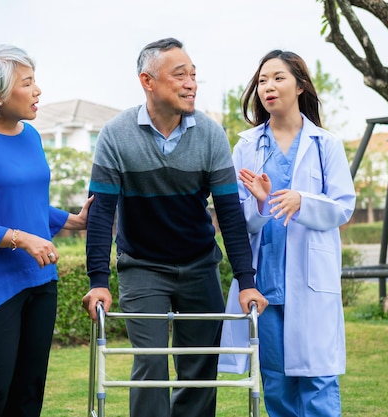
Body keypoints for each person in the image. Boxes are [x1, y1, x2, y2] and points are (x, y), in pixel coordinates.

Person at [81, 37, 268, 417]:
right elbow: (101, 214)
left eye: (194, 75)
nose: (191, 83)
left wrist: (246, 282)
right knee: (150, 364)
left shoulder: (211, 135)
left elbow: (229, 214)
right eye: (179, 74)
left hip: (199, 265)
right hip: (142, 267)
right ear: (147, 81)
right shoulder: (116, 135)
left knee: (199, 367)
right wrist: (98, 281)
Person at [0, 44, 92, 417]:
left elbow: (26, 203)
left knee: (29, 392)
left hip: (40, 280)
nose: (38, 90)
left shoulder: (30, 136)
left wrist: (72, 220)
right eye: (27, 83)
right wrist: (20, 239)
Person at [221, 50, 356, 416]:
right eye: (263, 80)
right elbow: (237, 219)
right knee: (276, 382)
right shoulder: (246, 146)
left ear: (300, 86)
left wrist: (302, 201)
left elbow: (343, 206)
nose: (268, 87)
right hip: (264, 284)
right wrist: (263, 204)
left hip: (311, 281)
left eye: (278, 78)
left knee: (317, 379)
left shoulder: (325, 144)